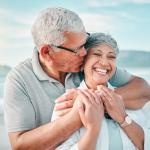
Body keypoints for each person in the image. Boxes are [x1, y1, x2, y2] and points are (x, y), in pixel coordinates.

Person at [4, 7, 150, 150]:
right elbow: (20, 145)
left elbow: (143, 90)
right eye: (76, 49)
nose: (84, 52)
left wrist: (94, 99)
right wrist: (80, 112)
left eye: (84, 43)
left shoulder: (85, 64)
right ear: (47, 51)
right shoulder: (18, 80)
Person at [53, 33, 150, 150]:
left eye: (111, 57)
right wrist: (93, 129)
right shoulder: (67, 103)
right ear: (83, 62)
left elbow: (146, 143)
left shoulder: (130, 101)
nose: (104, 63)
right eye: (97, 54)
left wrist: (123, 118)